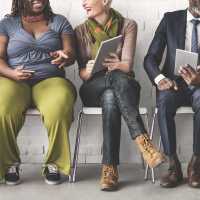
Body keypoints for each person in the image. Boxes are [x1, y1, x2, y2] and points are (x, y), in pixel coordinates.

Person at [75, 0, 165, 191]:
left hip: (123, 86)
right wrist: (89, 70)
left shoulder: (128, 25)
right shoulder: (80, 30)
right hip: (92, 87)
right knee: (113, 82)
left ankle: (109, 169)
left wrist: (117, 65)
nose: (83, 3)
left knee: (111, 96)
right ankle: (144, 142)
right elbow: (81, 73)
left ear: (105, 1)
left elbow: (127, 66)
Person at [0, 0, 76, 185]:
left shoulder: (59, 21)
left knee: (59, 104)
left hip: (50, 79)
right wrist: (11, 73)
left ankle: (54, 163)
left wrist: (65, 57)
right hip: (13, 79)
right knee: (3, 106)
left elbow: (71, 52)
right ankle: (9, 163)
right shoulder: (7, 24)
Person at [144, 0, 200, 189]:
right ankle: (173, 164)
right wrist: (160, 79)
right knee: (165, 101)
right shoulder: (170, 19)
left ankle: (196, 164)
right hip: (173, 83)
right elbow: (150, 57)